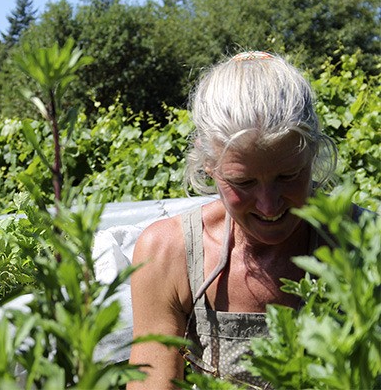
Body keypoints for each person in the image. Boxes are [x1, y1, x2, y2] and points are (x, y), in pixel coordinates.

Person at [127, 51, 352, 389]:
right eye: (243, 183)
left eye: (288, 175)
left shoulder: (362, 243)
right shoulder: (168, 254)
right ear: (209, 164)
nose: (268, 204)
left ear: (312, 152)